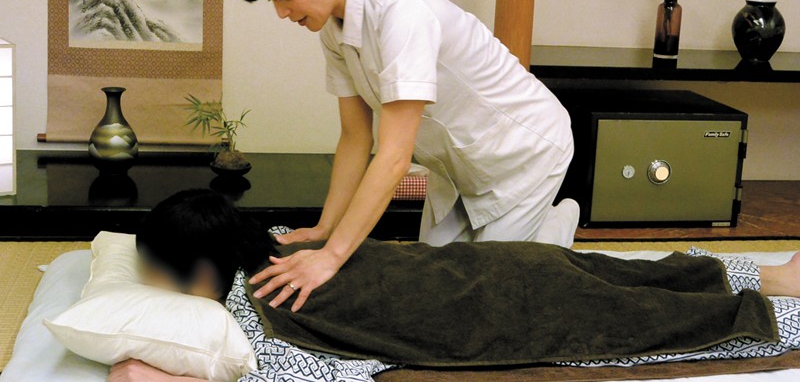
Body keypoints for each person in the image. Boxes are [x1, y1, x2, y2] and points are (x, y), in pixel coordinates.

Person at [231, 0, 580, 311]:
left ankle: (553, 231)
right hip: (456, 165)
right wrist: (326, 229)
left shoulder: (402, 12)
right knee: (428, 284)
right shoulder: (333, 30)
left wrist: (331, 257)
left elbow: (394, 155)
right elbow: (355, 137)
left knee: (483, 299)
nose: (280, 12)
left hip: (523, 151)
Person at [108, 190, 800, 382]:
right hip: (506, 263)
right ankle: (774, 273)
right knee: (634, 275)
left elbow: (316, 375)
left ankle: (779, 310)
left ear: (199, 271)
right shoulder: (286, 239)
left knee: (651, 320)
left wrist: (161, 376)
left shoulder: (264, 305)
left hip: (508, 305)